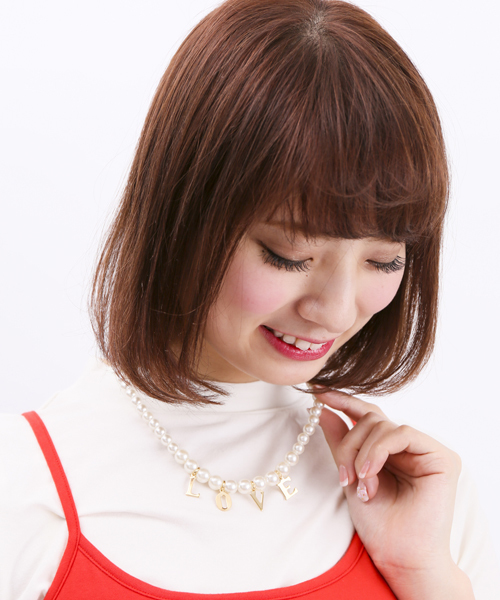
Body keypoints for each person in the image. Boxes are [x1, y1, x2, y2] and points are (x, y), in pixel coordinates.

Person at [1, 0, 498, 598]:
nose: (337, 310)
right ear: (183, 213)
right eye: (289, 255)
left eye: (383, 260)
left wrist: (423, 576)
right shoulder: (24, 492)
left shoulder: (424, 504)